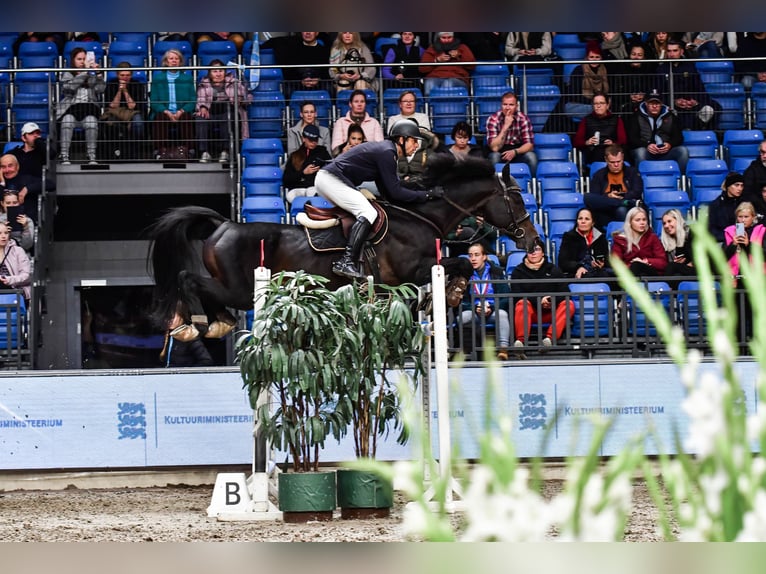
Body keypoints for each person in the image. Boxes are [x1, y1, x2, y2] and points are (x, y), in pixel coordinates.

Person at [315, 120, 440, 280]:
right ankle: (346, 261)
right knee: (368, 212)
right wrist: (427, 195)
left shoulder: (386, 151)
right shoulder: (387, 152)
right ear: (401, 139)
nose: (416, 146)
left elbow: (388, 192)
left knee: (370, 209)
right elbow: (396, 192)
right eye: (413, 140)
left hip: (330, 179)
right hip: (330, 179)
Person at [509, 241, 575, 358]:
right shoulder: (518, 271)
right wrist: (539, 300)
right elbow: (516, 295)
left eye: (537, 249)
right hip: (531, 314)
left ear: (543, 253)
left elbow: (566, 293)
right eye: (530, 250)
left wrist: (550, 300)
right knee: (521, 303)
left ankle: (549, 339)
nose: (533, 253)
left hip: (551, 313)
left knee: (568, 304)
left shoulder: (554, 270)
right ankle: (520, 342)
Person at [459, 242, 510, 360]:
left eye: (476, 255)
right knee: (463, 317)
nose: (473, 258)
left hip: (492, 309)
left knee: (502, 314)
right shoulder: (464, 274)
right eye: (470, 255)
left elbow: (505, 297)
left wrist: (491, 308)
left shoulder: (496, 272)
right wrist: (474, 308)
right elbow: (462, 300)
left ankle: (503, 350)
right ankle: (466, 349)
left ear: (484, 257)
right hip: (474, 310)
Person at [194, 59, 251, 163]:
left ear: (225, 72)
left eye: (221, 71)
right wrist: (202, 107)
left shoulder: (234, 82)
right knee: (200, 118)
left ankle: (226, 152)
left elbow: (249, 97)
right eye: (215, 71)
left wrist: (241, 100)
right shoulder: (204, 83)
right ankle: (204, 152)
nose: (218, 74)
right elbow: (200, 99)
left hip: (228, 110)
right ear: (210, 73)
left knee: (229, 117)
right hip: (211, 111)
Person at [656, 38, 720, 130]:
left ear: (681, 51)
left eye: (675, 51)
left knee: (713, 107)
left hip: (691, 103)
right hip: (671, 104)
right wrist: (674, 101)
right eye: (669, 51)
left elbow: (699, 88)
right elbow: (659, 92)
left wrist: (694, 101)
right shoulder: (661, 69)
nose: (672, 54)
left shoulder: (690, 67)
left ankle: (699, 131)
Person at [57, 46, 106, 165]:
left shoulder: (91, 74)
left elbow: (100, 89)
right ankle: (64, 155)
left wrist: (99, 74)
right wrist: (85, 73)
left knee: (91, 123)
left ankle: (91, 156)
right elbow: (70, 88)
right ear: (73, 60)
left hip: (89, 109)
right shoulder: (68, 74)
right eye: (79, 59)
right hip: (71, 108)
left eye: (84, 59)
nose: (82, 62)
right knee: (67, 122)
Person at [625, 88, 689, 173]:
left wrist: (669, 144)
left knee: (683, 151)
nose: (654, 106)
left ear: (661, 104)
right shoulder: (636, 117)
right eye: (651, 103)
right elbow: (632, 138)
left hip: (666, 151)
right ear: (646, 103)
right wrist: (647, 145)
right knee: (640, 152)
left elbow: (678, 137)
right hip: (646, 151)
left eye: (657, 103)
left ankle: (681, 181)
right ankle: (640, 180)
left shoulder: (670, 116)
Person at [149, 49, 196, 161]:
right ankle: (160, 151)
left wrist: (181, 111)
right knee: (160, 117)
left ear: (180, 62)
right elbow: (154, 101)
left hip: (182, 112)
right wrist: (167, 112)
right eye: (171, 59)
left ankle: (188, 150)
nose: (174, 61)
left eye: (177, 59)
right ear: (166, 61)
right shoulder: (158, 79)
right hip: (164, 112)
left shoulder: (187, 79)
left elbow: (192, 100)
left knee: (187, 118)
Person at [585, 144, 644, 230]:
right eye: (612, 162)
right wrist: (608, 196)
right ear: (606, 160)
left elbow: (637, 192)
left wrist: (622, 196)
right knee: (587, 197)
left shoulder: (632, 172)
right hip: (606, 211)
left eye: (619, 161)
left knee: (621, 209)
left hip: (628, 210)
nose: (616, 165)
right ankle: (621, 202)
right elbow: (595, 198)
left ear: (623, 158)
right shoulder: (599, 175)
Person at [100, 62, 147, 161]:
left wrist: (125, 91)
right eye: (122, 75)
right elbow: (113, 105)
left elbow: (132, 106)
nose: (125, 78)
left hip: (132, 112)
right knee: (111, 122)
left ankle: (135, 150)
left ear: (131, 75)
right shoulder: (111, 84)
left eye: (127, 75)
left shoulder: (137, 84)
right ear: (117, 75)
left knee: (138, 122)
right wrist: (119, 91)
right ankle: (114, 151)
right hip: (115, 112)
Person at [484, 91, 537, 176]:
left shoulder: (523, 119)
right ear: (501, 105)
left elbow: (529, 145)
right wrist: (505, 126)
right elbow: (494, 148)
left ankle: (532, 185)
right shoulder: (493, 119)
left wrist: (515, 152)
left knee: (531, 157)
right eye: (505, 104)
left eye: (511, 105)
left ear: (516, 106)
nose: (507, 108)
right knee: (494, 156)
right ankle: (494, 186)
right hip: (500, 151)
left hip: (517, 151)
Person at [573, 92, 627, 167]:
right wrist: (587, 142)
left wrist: (613, 143)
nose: (598, 106)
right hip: (593, 152)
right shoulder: (586, 120)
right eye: (595, 103)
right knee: (598, 152)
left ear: (607, 105)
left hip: (612, 152)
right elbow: (577, 141)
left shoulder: (617, 120)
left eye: (601, 103)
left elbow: (623, 140)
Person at [282, 124, 332, 204]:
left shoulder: (322, 152)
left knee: (311, 192)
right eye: (310, 140)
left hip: (314, 187)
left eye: (315, 140)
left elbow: (331, 168)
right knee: (290, 195)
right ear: (303, 139)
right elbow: (286, 180)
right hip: (298, 188)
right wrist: (303, 173)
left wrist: (321, 171)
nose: (313, 142)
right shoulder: (295, 155)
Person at [611, 206, 667, 276]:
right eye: (638, 220)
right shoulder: (620, 240)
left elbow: (663, 262)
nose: (642, 223)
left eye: (644, 220)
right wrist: (632, 264)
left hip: (650, 272)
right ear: (630, 222)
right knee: (635, 266)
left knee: (637, 266)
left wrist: (645, 261)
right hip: (629, 274)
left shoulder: (652, 237)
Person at [557, 207, 612, 279]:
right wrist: (578, 267)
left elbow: (606, 260)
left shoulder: (601, 238)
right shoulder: (569, 237)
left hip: (598, 271)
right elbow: (563, 262)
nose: (583, 221)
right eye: (580, 219)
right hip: (576, 272)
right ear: (577, 221)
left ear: (593, 223)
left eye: (587, 219)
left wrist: (602, 264)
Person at [273, 32, 331, 97]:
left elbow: (327, 72)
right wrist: (301, 81)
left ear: (317, 33)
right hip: (297, 85)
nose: (308, 33)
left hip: (319, 85)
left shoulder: (325, 51)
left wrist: (318, 80)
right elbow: (288, 72)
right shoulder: (292, 50)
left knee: (329, 88)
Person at [0, 153, 52, 223]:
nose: (7, 170)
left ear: (17, 167)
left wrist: (27, 189)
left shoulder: (26, 179)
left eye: (10, 166)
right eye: (3, 167)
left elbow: (51, 184)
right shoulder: (1, 184)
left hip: (26, 223)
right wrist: (2, 183)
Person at [565, 41, 610, 121]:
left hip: (599, 104)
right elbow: (574, 95)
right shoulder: (579, 70)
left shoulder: (606, 70)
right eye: (591, 57)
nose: (594, 60)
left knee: (601, 108)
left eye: (597, 57)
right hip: (580, 105)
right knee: (598, 109)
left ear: (601, 58)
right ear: (587, 57)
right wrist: (596, 102)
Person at [616, 41, 655, 115]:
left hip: (645, 105)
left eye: (639, 55)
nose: (636, 57)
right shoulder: (621, 68)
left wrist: (644, 95)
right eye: (633, 54)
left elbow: (652, 88)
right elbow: (616, 89)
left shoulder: (649, 69)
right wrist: (629, 96)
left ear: (644, 57)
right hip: (625, 105)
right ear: (629, 55)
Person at [708, 172, 746, 243]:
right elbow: (711, 229)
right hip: (721, 241)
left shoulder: (744, 204)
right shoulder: (716, 205)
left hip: (741, 240)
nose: (740, 188)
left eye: (742, 186)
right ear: (728, 186)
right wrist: (728, 236)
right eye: (736, 185)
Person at [660, 208, 696, 282]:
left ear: (678, 220)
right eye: (664, 223)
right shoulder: (669, 241)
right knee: (676, 276)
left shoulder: (691, 232)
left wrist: (686, 263)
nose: (666, 225)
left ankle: (664, 290)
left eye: (669, 221)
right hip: (685, 271)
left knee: (672, 266)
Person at [0, 220, 32, 303]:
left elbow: (27, 276)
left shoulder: (17, 251)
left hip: (16, 292)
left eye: (6, 233)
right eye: (0, 233)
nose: (3, 236)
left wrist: (9, 280)